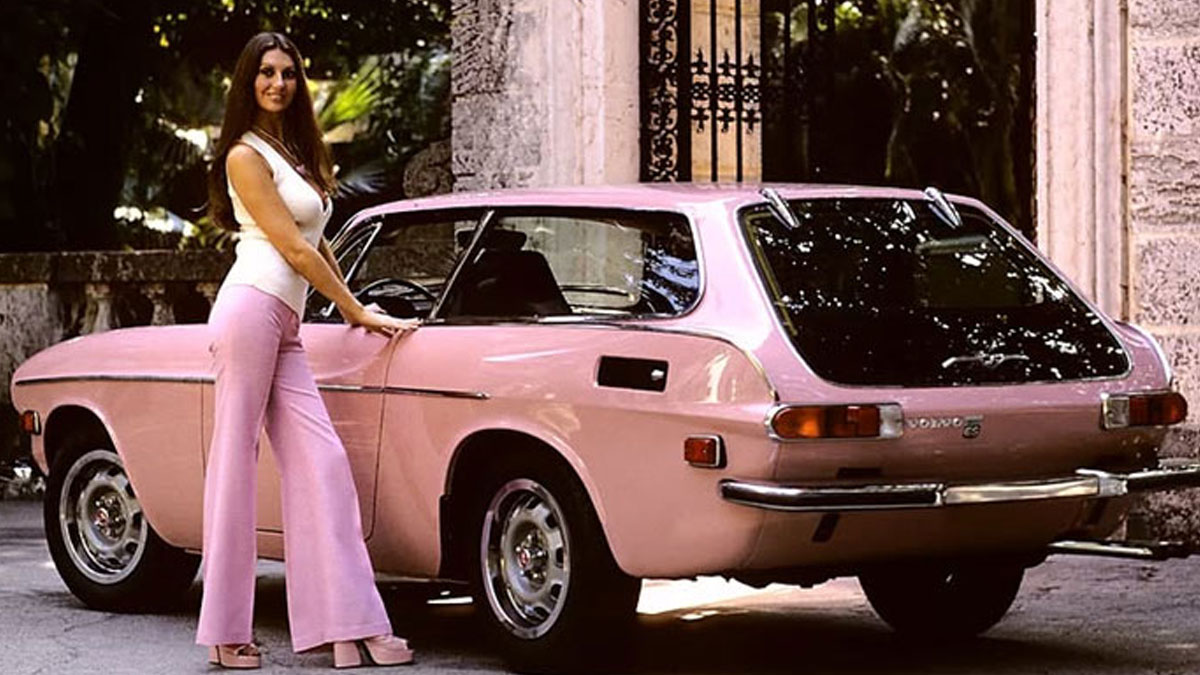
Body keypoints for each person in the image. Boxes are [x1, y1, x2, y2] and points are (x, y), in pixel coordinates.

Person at [196, 32, 416, 669]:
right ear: (247, 82)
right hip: (249, 309)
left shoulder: (293, 151)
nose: (277, 83)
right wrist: (351, 311)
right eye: (265, 73)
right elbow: (291, 249)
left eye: (287, 73)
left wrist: (356, 302)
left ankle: (349, 625)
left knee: (322, 464)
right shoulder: (244, 155)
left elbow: (317, 248)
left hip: (285, 321)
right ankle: (224, 633)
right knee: (234, 465)